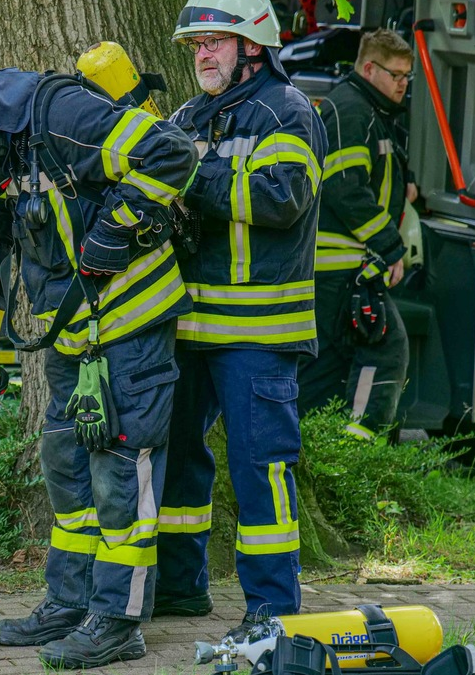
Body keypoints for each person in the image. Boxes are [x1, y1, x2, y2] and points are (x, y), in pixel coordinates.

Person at [0, 64, 198, 669]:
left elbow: (171, 153)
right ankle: (71, 601)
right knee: (66, 462)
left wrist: (118, 228)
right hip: (73, 334)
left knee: (122, 467)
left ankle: (118, 620)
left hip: (131, 323)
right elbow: (7, 209)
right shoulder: (4, 143)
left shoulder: (64, 118)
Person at [154, 0, 327, 641]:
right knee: (177, 461)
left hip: (259, 331)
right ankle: (178, 587)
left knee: (260, 470)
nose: (202, 53)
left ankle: (272, 609)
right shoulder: (186, 116)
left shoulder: (289, 110)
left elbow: (279, 197)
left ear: (252, 43)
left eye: (215, 41)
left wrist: (191, 178)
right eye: (195, 44)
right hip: (186, 327)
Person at [298, 28, 414, 441]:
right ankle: (358, 452)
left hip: (335, 269)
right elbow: (345, 185)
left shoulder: (365, 112)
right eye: (396, 75)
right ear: (369, 68)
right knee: (386, 347)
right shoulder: (350, 109)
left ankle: (315, 456)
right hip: (342, 267)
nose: (403, 85)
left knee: (323, 373)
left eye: (407, 77)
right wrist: (390, 245)